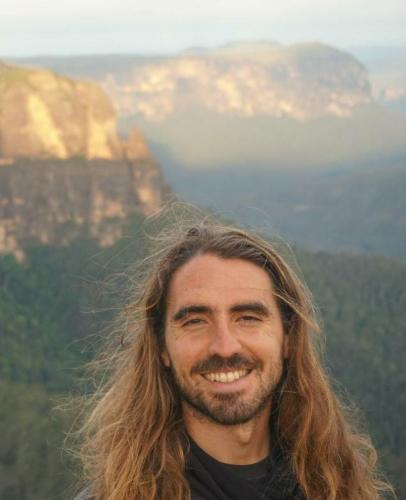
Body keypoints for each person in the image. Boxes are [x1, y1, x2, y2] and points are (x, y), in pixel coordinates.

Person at [75, 219, 393, 500]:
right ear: (161, 347)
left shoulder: (339, 485)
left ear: (288, 338)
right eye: (195, 321)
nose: (225, 347)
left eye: (248, 318)